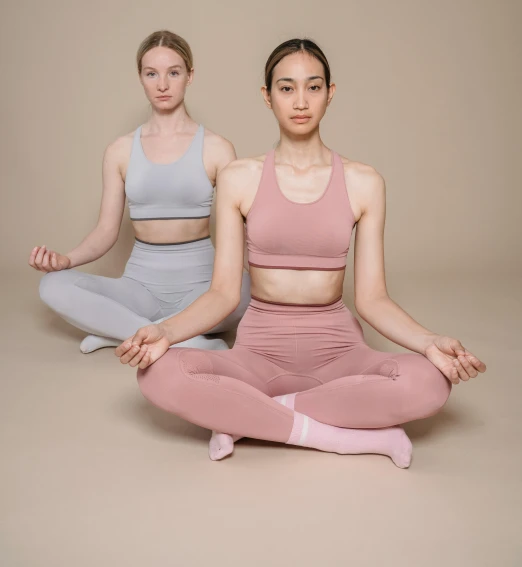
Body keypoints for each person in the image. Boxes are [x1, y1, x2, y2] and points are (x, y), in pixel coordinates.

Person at [115, 38, 486, 467]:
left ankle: (247, 417)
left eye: (313, 87)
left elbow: (372, 299)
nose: (300, 101)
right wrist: (165, 332)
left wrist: (431, 341)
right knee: (158, 374)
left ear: (330, 93)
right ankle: (343, 437)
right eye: (286, 88)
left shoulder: (365, 182)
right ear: (267, 96)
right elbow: (222, 294)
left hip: (339, 355)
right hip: (256, 355)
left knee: (430, 383)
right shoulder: (239, 178)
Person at [29, 30, 250, 354]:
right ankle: (185, 339)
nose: (162, 84)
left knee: (246, 289)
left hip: (204, 288)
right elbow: (106, 231)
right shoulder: (119, 151)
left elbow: (239, 234)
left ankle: (118, 331)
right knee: (52, 285)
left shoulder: (218, 148)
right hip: (139, 289)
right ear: (140, 78)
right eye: (152, 74)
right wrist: (66, 259)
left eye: (173, 72)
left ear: (190, 75)